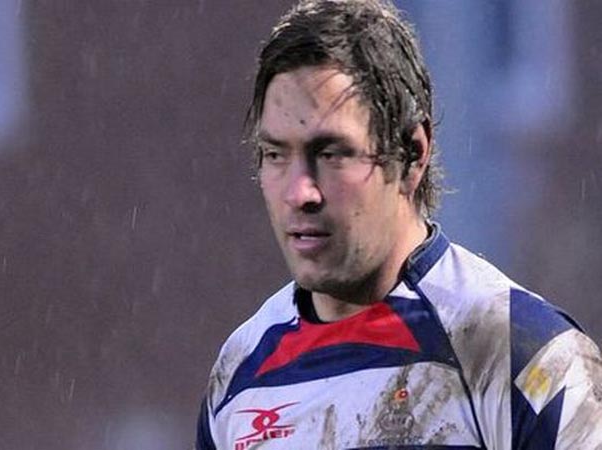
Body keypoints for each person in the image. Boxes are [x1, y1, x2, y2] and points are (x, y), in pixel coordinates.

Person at [196, 0, 602, 448]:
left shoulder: (520, 357)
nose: (300, 192)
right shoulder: (237, 377)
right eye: (276, 154)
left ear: (412, 154)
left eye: (331, 154)